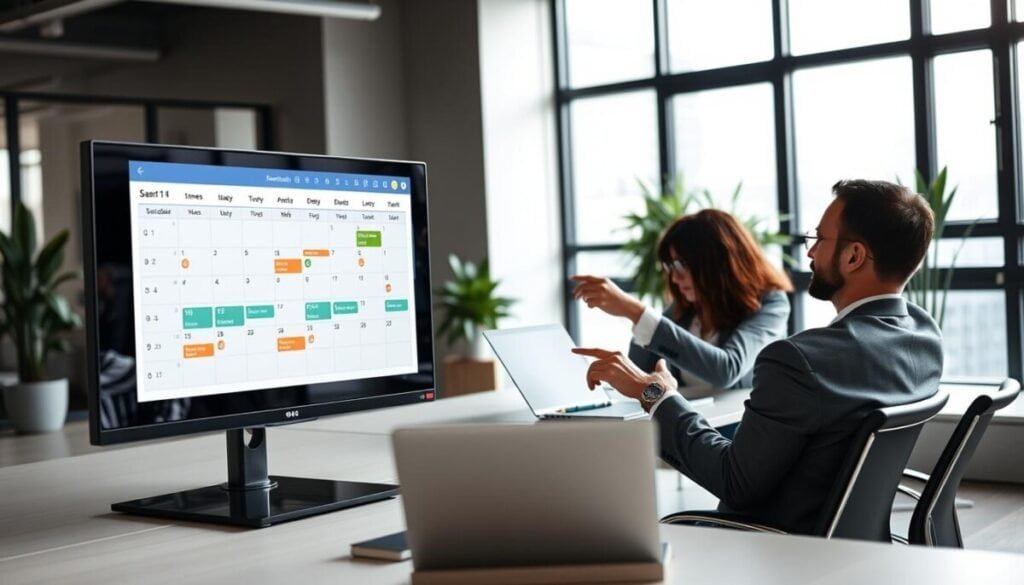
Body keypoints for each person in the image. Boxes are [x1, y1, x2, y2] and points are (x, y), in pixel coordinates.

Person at [574, 179, 943, 535]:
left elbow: (734, 482)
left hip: (774, 549)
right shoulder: (925, 337)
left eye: (818, 239)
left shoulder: (798, 360)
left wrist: (654, 394)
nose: (810, 252)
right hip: (855, 546)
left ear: (854, 255)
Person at [571, 208, 792, 395]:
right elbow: (642, 374)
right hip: (688, 429)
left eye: (680, 265)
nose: (675, 279)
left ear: (716, 263)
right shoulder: (684, 311)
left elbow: (727, 369)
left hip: (738, 432)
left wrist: (634, 311)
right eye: (670, 267)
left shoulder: (771, 304)